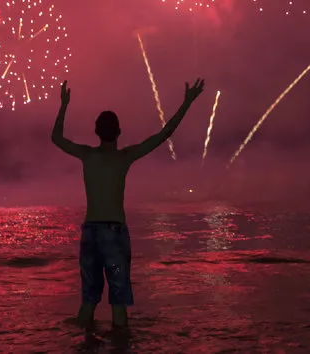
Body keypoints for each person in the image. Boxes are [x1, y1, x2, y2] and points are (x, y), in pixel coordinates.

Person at [51, 78, 205, 330]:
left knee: (88, 302)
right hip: (114, 233)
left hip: (90, 232)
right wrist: (187, 102)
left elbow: (56, 137)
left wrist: (64, 105)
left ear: (96, 132)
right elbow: (164, 134)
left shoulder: (87, 156)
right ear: (119, 132)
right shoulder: (125, 157)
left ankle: (81, 345)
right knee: (118, 304)